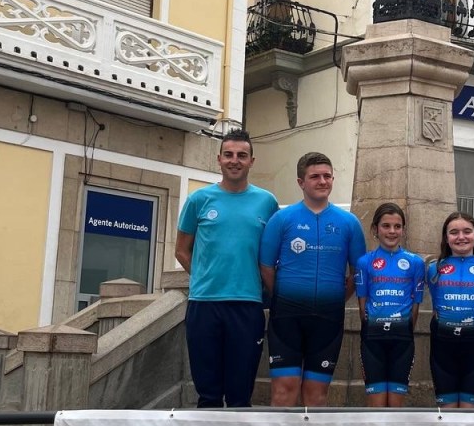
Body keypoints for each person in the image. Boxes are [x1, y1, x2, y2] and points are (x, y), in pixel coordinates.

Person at [175, 128, 278, 408]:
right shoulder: (198, 200)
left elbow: (273, 254)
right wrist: (205, 277)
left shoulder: (267, 202)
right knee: (207, 395)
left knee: (240, 396)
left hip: (247, 305)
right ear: (219, 159)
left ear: (251, 161)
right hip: (204, 305)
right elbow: (181, 250)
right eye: (229, 155)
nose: (235, 160)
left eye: (242, 155)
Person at [259, 152, 366, 406]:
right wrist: (283, 295)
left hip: (328, 319)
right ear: (301, 182)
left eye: (327, 176)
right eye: (315, 176)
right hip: (287, 317)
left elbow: (358, 271)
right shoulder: (282, 219)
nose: (322, 181)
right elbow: (266, 266)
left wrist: (338, 298)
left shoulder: (349, 223)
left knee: (316, 396)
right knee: (284, 391)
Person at [355, 203, 425, 408]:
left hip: (402, 340)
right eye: (386, 226)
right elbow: (362, 305)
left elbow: (416, 305)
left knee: (395, 406)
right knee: (376, 405)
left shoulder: (415, 262)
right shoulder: (364, 262)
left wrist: (404, 329)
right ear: (375, 229)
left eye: (397, 226)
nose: (392, 231)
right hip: (373, 339)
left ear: (403, 229)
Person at [426, 212, 474, 409]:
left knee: (469, 415)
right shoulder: (433, 269)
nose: (461, 237)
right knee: (447, 413)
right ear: (446, 237)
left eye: (467, 231)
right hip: (443, 347)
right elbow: (435, 306)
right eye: (454, 232)